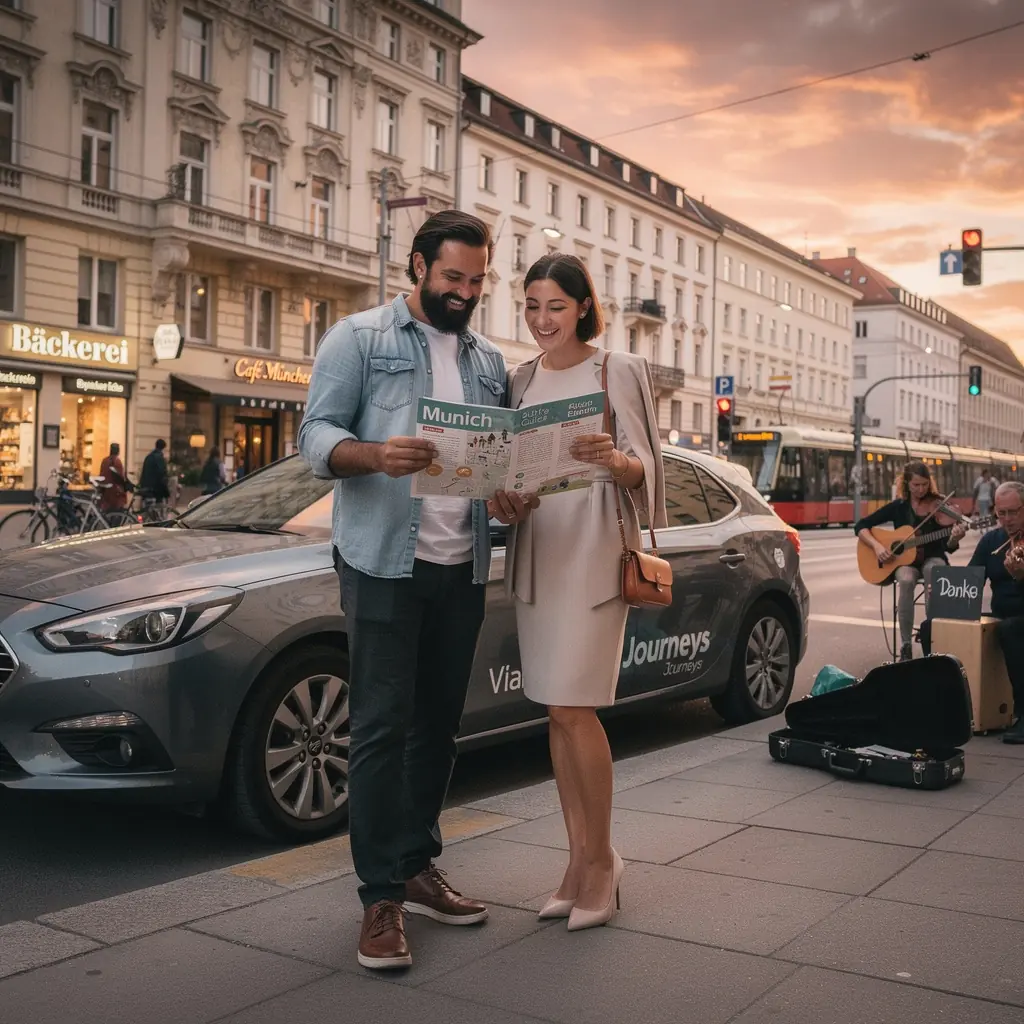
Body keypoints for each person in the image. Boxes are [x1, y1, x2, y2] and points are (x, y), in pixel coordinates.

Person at [298, 210, 535, 971]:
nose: (465, 292)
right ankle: (379, 898)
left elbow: (492, 463)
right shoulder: (359, 338)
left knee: (437, 728)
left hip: (460, 566)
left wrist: (505, 498)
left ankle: (416, 864)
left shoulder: (488, 361)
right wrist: (373, 454)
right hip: (381, 565)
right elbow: (314, 436)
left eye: (477, 281)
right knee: (378, 731)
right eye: (452, 277)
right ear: (419, 267)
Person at [498, 254, 667, 931]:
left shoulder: (615, 369)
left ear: (583, 308)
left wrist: (616, 459)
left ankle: (602, 863)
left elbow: (648, 467)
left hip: (594, 550)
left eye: (556, 306)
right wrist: (503, 499)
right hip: (539, 546)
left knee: (576, 706)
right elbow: (507, 467)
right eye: (532, 306)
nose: (543, 319)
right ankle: (576, 862)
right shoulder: (519, 379)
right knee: (555, 711)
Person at [922, 481, 1024, 743]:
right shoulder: (992, 540)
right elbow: (971, 579)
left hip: (1018, 619)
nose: (1007, 519)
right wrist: (945, 589)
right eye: (1001, 513)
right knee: (930, 627)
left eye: (1013, 512)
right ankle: (944, 705)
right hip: (1001, 614)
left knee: (1010, 629)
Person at [855, 460, 967, 662]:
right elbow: (861, 525)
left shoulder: (938, 506)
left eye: (925, 484)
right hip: (906, 562)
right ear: (907, 483)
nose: (921, 489)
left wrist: (955, 538)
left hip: (933, 557)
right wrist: (877, 546)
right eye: (916, 485)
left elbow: (948, 546)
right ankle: (905, 644)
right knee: (906, 580)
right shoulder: (899, 507)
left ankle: (932, 637)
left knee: (933, 571)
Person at [97, 442, 130, 513]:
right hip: (115, 492)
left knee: (106, 512)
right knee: (116, 513)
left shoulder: (105, 460)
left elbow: (101, 475)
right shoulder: (117, 461)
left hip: (106, 491)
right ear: (118, 451)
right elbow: (120, 477)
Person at [138, 439, 171, 504]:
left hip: (146, 486)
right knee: (159, 504)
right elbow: (162, 473)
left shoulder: (148, 456)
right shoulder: (160, 458)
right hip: (156, 489)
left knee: (147, 505)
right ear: (163, 448)